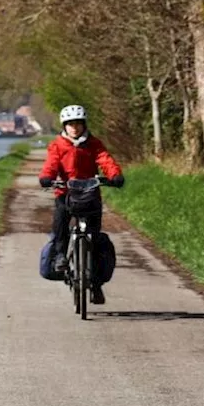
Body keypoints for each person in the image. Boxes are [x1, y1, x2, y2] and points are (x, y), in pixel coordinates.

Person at [38, 104, 124, 304]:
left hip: (90, 195)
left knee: (93, 238)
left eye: (78, 124)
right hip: (65, 194)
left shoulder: (93, 144)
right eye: (70, 124)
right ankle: (60, 256)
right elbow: (51, 164)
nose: (74, 128)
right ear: (64, 126)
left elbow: (105, 159)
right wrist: (47, 177)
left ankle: (95, 285)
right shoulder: (58, 145)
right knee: (60, 226)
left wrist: (114, 175)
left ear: (84, 125)